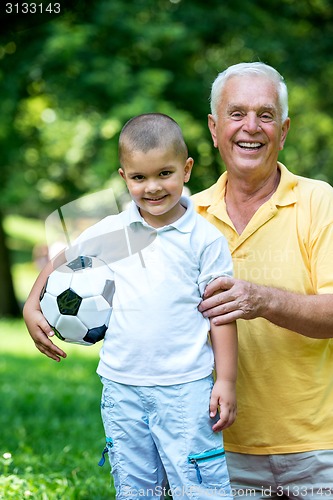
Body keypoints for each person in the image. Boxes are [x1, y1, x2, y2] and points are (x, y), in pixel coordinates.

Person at [23, 113, 238, 499]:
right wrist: (31, 305)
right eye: (139, 178)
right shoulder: (114, 233)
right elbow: (61, 263)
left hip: (185, 389)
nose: (152, 187)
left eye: (164, 174)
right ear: (124, 177)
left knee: (200, 487)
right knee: (135, 489)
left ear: (187, 170)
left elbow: (221, 315)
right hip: (122, 387)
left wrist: (225, 380)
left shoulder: (202, 239)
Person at [191, 62, 333, 498]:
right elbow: (99, 250)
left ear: (284, 130)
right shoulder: (184, 217)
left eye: (265, 115)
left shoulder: (319, 201)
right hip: (214, 447)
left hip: (317, 450)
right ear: (215, 128)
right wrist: (35, 297)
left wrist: (261, 300)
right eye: (236, 114)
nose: (250, 127)